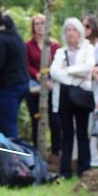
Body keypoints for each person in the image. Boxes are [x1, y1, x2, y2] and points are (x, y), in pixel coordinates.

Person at [50, 17, 94, 178]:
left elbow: (88, 68)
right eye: (68, 30)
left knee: (82, 133)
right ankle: (65, 170)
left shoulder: (88, 48)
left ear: (80, 31)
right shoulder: (60, 52)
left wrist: (68, 70)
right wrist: (73, 78)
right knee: (66, 134)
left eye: (74, 29)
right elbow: (54, 72)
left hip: (81, 96)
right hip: (64, 96)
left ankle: (84, 169)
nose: (71, 33)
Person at [0, 12, 29, 140]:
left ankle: (12, 154)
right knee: (11, 120)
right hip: (23, 82)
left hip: (9, 86)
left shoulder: (0, 39)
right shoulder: (17, 37)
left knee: (8, 125)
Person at [25, 13, 60, 151]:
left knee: (55, 120)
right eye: (37, 24)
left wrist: (48, 75)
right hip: (34, 87)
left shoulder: (54, 45)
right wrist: (37, 75)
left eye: (42, 23)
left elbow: (59, 63)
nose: (39, 27)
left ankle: (56, 151)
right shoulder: (28, 45)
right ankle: (37, 150)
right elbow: (26, 64)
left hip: (51, 85)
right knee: (36, 120)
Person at [84, 15, 98, 168]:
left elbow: (95, 68)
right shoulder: (83, 45)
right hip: (86, 92)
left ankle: (96, 161)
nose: (85, 30)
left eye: (87, 27)